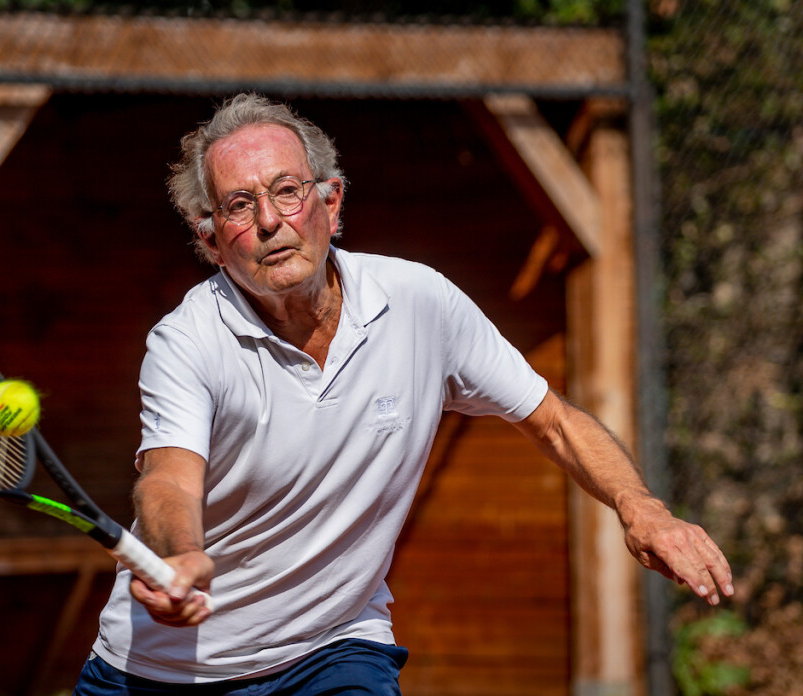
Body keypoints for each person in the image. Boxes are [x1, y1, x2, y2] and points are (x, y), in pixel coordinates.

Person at [74, 93, 734, 695]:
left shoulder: (421, 303)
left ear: (331, 205)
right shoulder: (186, 340)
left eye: (287, 191)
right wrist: (181, 552)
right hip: (164, 670)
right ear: (212, 240)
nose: (271, 221)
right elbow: (169, 481)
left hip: (332, 648)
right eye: (240, 206)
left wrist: (639, 506)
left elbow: (554, 420)